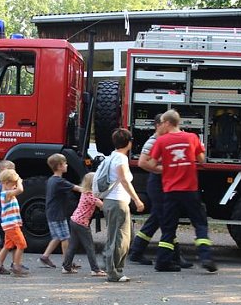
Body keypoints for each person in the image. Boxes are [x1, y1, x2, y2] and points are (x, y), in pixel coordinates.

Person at [143, 109, 217, 273]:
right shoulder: (192, 138)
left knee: (169, 228)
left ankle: (162, 262)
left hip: (170, 190)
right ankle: (206, 257)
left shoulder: (161, 142)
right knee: (199, 223)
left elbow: (153, 164)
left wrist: (168, 166)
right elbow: (201, 160)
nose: (161, 126)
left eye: (162, 123)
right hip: (190, 189)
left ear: (168, 123)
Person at [128, 114, 193, 269]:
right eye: (166, 124)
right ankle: (174, 257)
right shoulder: (153, 141)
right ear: (158, 125)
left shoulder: (164, 140)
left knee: (157, 219)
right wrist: (165, 169)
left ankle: (136, 251)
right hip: (157, 184)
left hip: (164, 183)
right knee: (166, 220)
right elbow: (143, 163)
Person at [101, 128, 144, 283]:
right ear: (128, 143)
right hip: (117, 202)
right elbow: (124, 180)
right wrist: (137, 200)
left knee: (119, 237)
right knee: (120, 239)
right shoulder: (121, 159)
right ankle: (113, 272)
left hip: (111, 202)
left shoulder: (111, 157)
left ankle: (112, 268)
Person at [39, 153, 83, 268]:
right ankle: (67, 262)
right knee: (65, 238)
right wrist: (89, 190)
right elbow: (77, 188)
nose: (67, 165)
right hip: (58, 214)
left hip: (51, 213)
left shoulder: (51, 180)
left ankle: (45, 256)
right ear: (59, 166)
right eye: (65, 163)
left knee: (57, 237)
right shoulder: (60, 181)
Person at [61, 172, 106, 276]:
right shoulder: (91, 196)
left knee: (72, 245)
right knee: (90, 247)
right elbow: (102, 206)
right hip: (81, 223)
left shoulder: (85, 192)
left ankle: (66, 267)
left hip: (74, 220)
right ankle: (95, 269)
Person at [0, 168, 29, 276]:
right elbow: (20, 190)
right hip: (11, 225)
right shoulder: (6, 194)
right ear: (6, 183)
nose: (15, 186)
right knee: (22, 245)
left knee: (7, 245)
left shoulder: (8, 193)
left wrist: (16, 181)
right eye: (13, 184)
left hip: (10, 225)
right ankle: (16, 266)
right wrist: (19, 181)